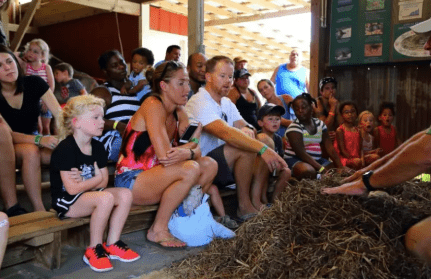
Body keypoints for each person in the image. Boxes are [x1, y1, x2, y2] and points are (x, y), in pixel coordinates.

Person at [322, 0, 431, 274]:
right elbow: (427, 135)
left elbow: (429, 153)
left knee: (420, 241)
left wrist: (366, 183)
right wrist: (369, 170)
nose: (427, 46)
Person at [115, 61, 234, 246]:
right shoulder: (153, 104)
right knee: (190, 169)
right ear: (163, 86)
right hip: (131, 180)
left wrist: (190, 149)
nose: (187, 88)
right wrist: (189, 152)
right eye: (181, 83)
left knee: (210, 165)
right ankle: (157, 229)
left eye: (187, 83)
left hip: (158, 175)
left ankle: (183, 219)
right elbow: (165, 155)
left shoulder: (180, 111)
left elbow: (197, 150)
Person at [185, 56, 287, 220]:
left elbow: (246, 126)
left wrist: (247, 129)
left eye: (230, 77)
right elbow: (225, 132)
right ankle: (244, 206)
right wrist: (263, 149)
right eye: (222, 76)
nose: (228, 81)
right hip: (206, 167)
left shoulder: (226, 102)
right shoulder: (199, 101)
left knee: (265, 139)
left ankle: (256, 199)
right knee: (245, 145)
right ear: (208, 77)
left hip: (227, 164)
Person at [51, 95, 140, 272]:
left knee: (125, 194)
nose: (102, 122)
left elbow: (104, 181)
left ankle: (113, 243)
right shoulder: (66, 149)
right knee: (105, 197)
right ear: (76, 122)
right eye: (96, 118)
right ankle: (94, 248)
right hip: (66, 202)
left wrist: (87, 180)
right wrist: (94, 179)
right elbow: (72, 188)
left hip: (87, 196)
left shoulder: (98, 147)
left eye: (102, 117)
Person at [0, 45, 61, 216]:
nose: (7, 67)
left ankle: (66, 202)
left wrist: (67, 136)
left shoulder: (34, 82)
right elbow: (6, 135)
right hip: (8, 145)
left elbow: (59, 114)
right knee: (30, 151)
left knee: (60, 150)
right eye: (0, 66)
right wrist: (40, 140)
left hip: (34, 140)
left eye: (9, 61)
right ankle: (39, 210)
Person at [92, 50, 140, 162]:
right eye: (114, 65)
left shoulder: (137, 88)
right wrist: (117, 125)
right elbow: (90, 119)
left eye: (122, 63)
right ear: (105, 71)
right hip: (115, 138)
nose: (121, 67)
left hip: (138, 134)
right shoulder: (103, 92)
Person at [284, 93, 343, 180]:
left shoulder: (320, 124)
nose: (300, 111)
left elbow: (329, 147)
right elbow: (301, 154)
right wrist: (321, 169)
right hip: (296, 160)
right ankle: (314, 176)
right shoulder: (294, 127)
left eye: (303, 107)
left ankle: (318, 176)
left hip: (317, 160)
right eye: (296, 109)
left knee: (334, 171)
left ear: (311, 108)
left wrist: (340, 166)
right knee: (307, 171)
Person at [253, 103, 291, 205]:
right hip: (258, 173)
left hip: (273, 173)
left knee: (287, 171)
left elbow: (281, 158)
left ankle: (275, 202)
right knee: (267, 165)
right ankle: (263, 199)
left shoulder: (278, 139)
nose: (275, 121)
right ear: (260, 123)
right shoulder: (258, 137)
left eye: (277, 119)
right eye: (270, 119)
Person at [17, 39, 55, 135]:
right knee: (38, 127)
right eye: (29, 50)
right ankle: (39, 144)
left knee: (46, 127)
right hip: (32, 103)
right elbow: (24, 83)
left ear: (42, 55)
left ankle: (48, 146)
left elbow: (51, 85)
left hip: (45, 102)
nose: (30, 53)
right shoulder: (26, 66)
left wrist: (47, 102)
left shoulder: (46, 67)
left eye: (35, 52)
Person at [335, 101, 362, 170]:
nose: (350, 114)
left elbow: (361, 149)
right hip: (345, 159)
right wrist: (354, 159)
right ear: (342, 115)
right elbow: (342, 151)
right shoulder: (340, 130)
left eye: (352, 111)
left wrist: (362, 159)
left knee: (375, 157)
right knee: (358, 162)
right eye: (346, 112)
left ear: (356, 114)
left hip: (357, 158)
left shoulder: (358, 130)